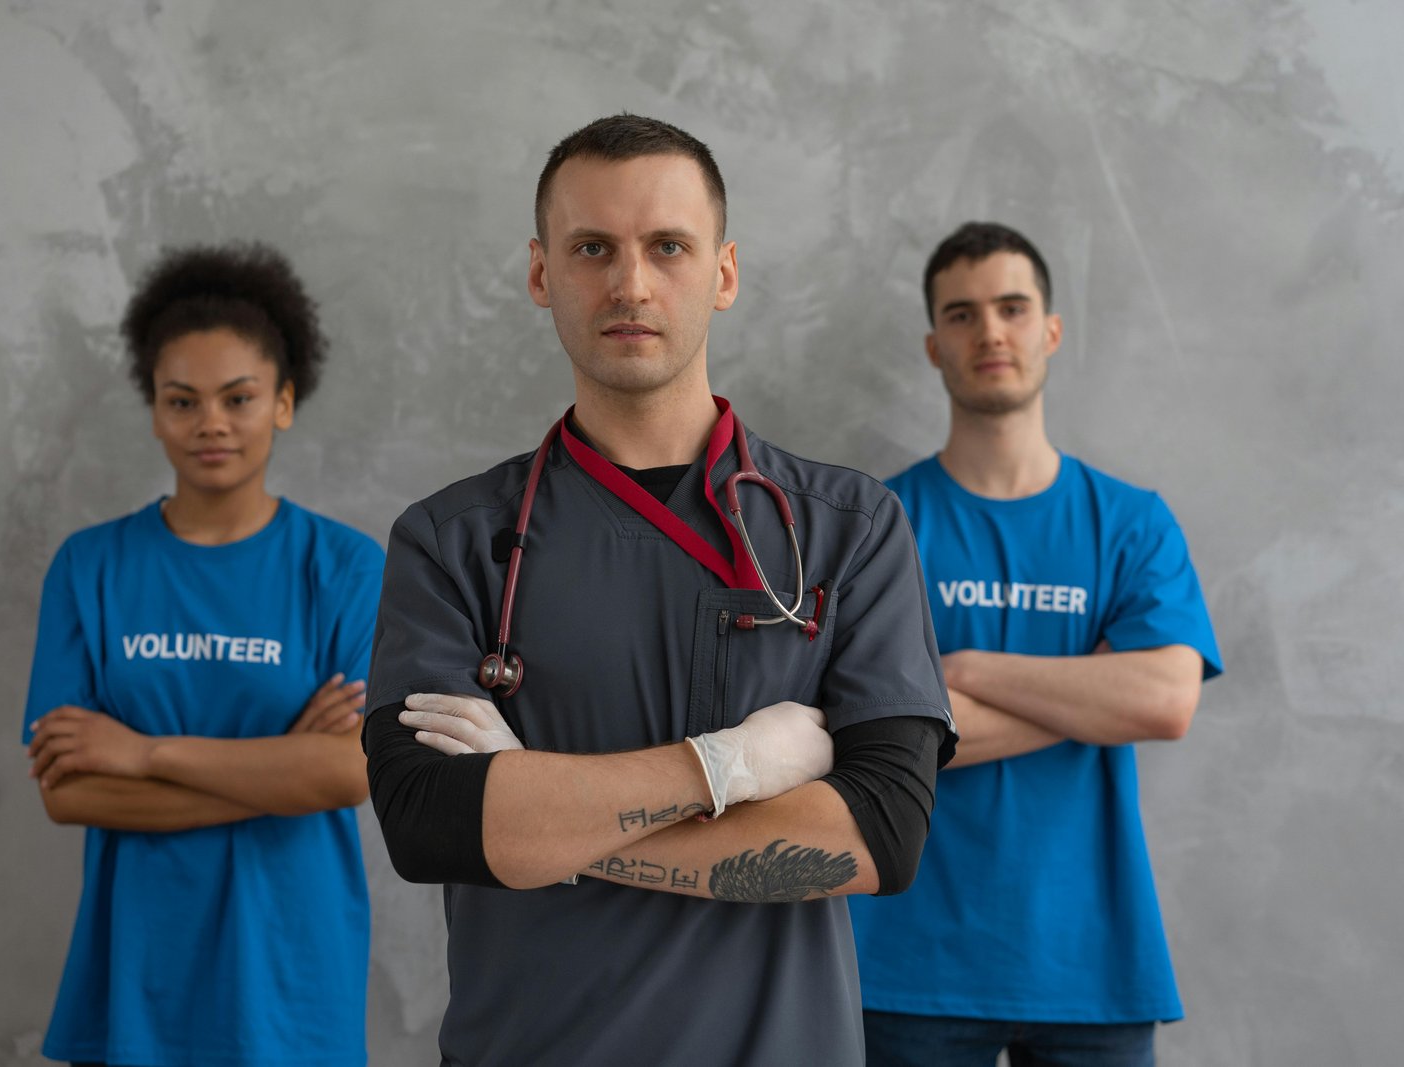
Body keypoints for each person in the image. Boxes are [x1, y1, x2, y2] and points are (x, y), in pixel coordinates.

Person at [362, 114, 956, 1066]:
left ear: (723, 273)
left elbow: (878, 837)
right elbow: (431, 823)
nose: (630, 284)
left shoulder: (850, 528)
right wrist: (732, 766)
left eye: (667, 247)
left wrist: (543, 824)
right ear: (540, 273)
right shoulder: (452, 542)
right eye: (592, 247)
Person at [848, 222, 1223, 1066]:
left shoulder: (1131, 522)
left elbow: (1165, 702)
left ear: (1050, 329)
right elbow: (874, 738)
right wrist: (1097, 693)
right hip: (908, 962)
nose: (991, 332)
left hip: (1089, 960)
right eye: (963, 313)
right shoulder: (877, 525)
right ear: (934, 345)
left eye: (1013, 308)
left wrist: (966, 670)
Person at [21, 243, 383, 1066]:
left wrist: (145, 753)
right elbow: (71, 792)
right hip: (135, 982)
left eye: (239, 397)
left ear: (284, 402)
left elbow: (351, 773)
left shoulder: (347, 568)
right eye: (181, 400)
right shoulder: (91, 566)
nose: (210, 423)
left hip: (291, 983)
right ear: (153, 410)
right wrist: (283, 767)